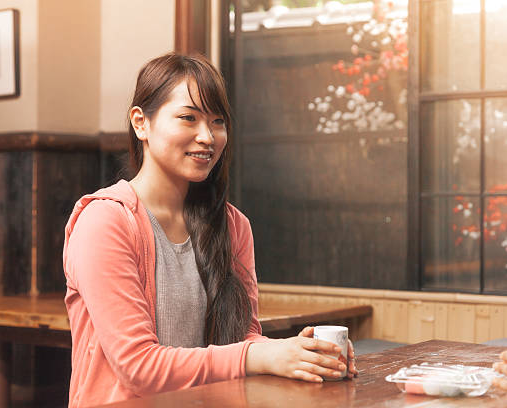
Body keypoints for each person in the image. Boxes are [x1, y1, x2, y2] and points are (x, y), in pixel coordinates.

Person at [62, 53, 357, 407]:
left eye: (218, 122)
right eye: (188, 118)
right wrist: (259, 357)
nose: (207, 137)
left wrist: (305, 354)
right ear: (141, 123)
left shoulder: (233, 225)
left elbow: (242, 337)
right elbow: (138, 366)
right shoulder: (106, 221)